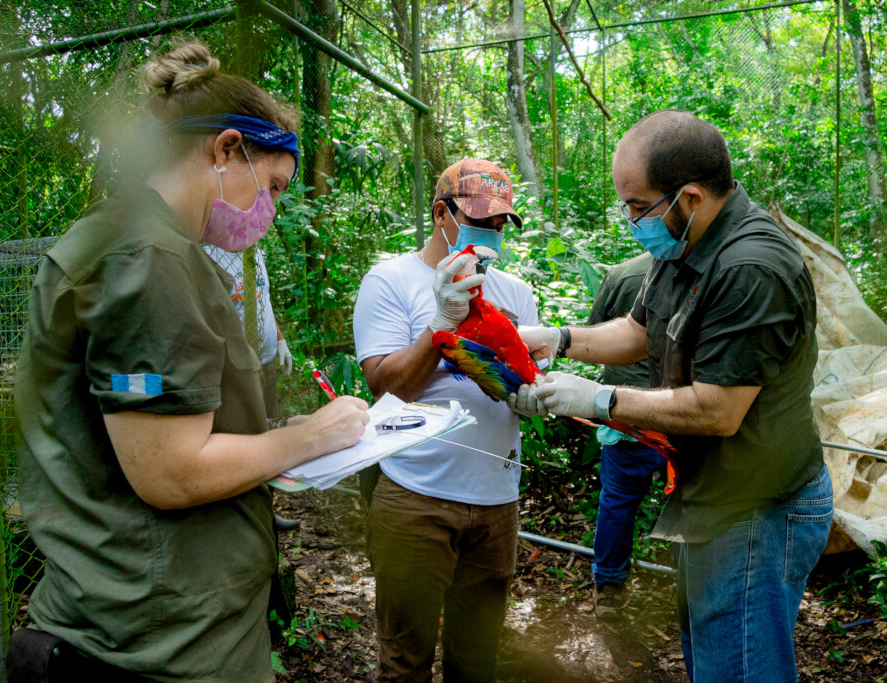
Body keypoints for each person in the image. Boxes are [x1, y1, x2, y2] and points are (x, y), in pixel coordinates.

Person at [13, 42, 369, 681]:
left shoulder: (124, 237)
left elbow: (158, 431)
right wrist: (315, 436)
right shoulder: (150, 258)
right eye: (275, 186)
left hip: (143, 618)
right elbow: (169, 472)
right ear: (228, 150)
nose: (274, 208)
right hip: (157, 643)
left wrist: (275, 437)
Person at [519, 110, 833, 682]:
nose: (630, 220)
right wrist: (557, 340)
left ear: (689, 197)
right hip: (713, 499)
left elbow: (718, 409)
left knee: (738, 669)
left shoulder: (750, 267)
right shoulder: (684, 249)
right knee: (713, 658)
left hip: (759, 510)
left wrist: (595, 400)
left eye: (638, 207)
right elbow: (637, 333)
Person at [353, 158, 542, 682]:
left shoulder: (516, 294)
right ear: (442, 214)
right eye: (483, 222)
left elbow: (530, 378)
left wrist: (536, 393)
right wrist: (441, 326)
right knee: (404, 660)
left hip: (496, 502)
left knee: (477, 662)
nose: (494, 233)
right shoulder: (390, 279)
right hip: (415, 497)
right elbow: (389, 385)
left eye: (502, 223)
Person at [585, 251, 665, 622]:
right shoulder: (708, 270)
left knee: (617, 501)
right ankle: (694, 587)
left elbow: (596, 334)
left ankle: (610, 588)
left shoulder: (621, 273)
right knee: (690, 502)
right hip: (680, 410)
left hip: (625, 411)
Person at [204, 244, 293, 420]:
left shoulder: (253, 253)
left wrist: (280, 340)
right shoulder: (208, 256)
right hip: (237, 370)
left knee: (271, 425)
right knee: (247, 431)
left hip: (267, 363)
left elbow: (264, 300)